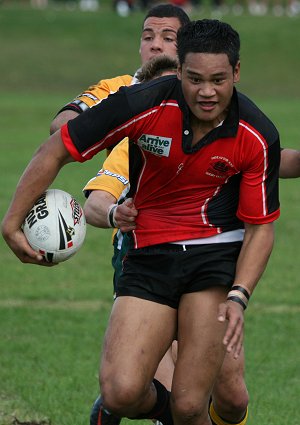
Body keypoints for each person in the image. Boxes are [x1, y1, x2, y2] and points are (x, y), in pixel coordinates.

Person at [1, 18, 281, 425]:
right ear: (180, 69)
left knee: (193, 404)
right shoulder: (143, 102)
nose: (206, 92)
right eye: (195, 78)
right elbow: (56, 148)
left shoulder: (257, 133)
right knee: (121, 392)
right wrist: (11, 223)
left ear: (236, 72)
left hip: (214, 256)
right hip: (149, 251)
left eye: (218, 80)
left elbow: (260, 227)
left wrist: (239, 295)